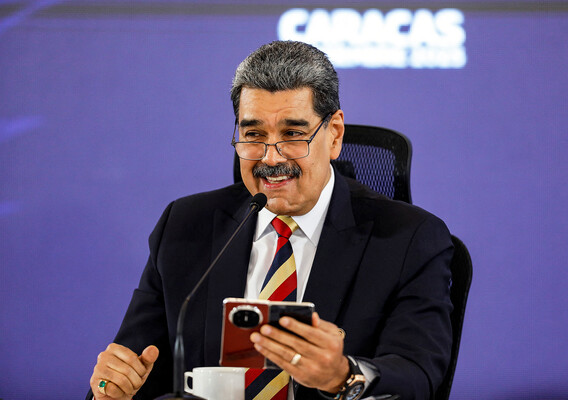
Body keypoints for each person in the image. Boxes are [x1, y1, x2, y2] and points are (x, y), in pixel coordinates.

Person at [87, 40, 454, 400]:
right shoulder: (184, 227)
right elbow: (134, 369)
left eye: (293, 134)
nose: (271, 157)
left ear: (335, 135)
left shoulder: (410, 239)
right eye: (254, 135)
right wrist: (111, 390)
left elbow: (418, 375)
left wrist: (343, 376)